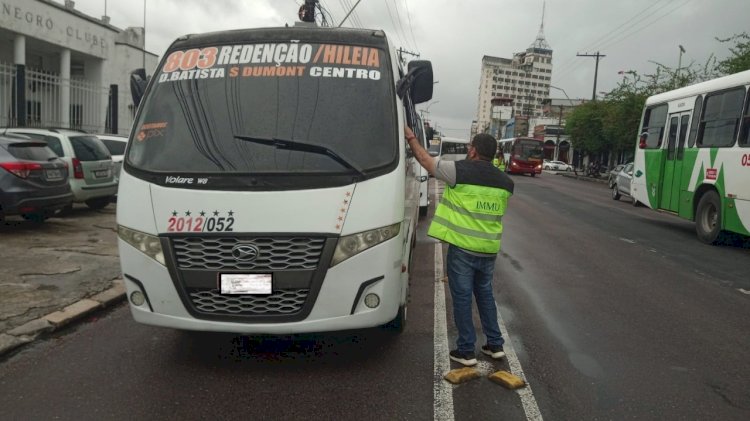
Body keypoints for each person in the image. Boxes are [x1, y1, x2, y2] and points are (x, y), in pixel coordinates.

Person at [404, 125, 514, 367]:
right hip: (488, 250)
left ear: (473, 151)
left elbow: (425, 160)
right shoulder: (506, 182)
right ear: (494, 154)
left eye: (469, 148)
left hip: (463, 250)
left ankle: (466, 350)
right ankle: (495, 344)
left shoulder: (459, 171)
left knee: (462, 297)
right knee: (484, 294)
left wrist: (411, 137)